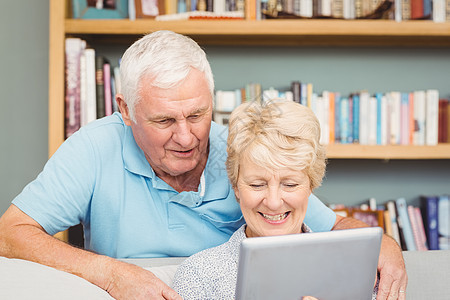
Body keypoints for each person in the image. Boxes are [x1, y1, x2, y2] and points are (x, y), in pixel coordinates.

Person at [0, 30, 406, 299]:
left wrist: (383, 244)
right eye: (164, 120)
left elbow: (325, 224)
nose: (186, 136)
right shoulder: (93, 148)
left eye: (198, 115)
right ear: (125, 109)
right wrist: (111, 273)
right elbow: (10, 234)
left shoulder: (241, 152)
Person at [172, 99, 379, 299]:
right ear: (236, 187)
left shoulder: (351, 270)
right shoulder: (198, 277)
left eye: (289, 184)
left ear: (311, 186)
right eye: (257, 185)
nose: (273, 202)